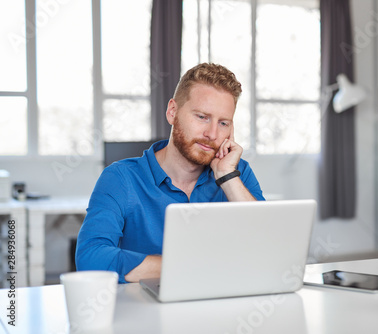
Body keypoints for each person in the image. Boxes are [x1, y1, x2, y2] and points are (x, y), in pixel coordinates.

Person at [76, 63, 265, 283]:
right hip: (147, 312)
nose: (212, 134)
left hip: (223, 310)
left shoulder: (237, 173)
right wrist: (191, 266)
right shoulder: (121, 178)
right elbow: (91, 259)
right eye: (202, 117)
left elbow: (267, 250)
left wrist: (227, 177)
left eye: (223, 123)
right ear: (172, 112)